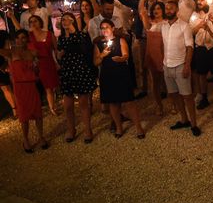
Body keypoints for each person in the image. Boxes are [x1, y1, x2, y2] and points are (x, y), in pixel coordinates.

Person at [140, 0, 199, 136]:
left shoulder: (184, 26)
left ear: (177, 10)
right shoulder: (163, 26)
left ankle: (194, 124)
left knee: (187, 97)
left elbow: (190, 46)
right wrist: (143, 14)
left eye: (171, 8)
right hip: (167, 66)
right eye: (166, 8)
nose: (168, 10)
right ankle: (184, 120)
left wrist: (187, 65)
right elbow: (150, 29)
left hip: (180, 65)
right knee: (174, 95)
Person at [93, 20, 145, 139]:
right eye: (102, 28)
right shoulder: (98, 44)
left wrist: (121, 58)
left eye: (107, 27)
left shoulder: (120, 40)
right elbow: (96, 62)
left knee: (129, 102)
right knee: (113, 103)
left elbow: (126, 55)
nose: (104, 29)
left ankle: (138, 127)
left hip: (121, 73)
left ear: (112, 28)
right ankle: (119, 127)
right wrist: (102, 55)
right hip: (107, 75)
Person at [0, 30, 47, 152]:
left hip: (32, 85)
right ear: (14, 39)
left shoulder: (32, 53)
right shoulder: (11, 52)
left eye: (23, 38)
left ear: (27, 39)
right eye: (18, 38)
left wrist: (36, 68)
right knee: (24, 114)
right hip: (19, 87)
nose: (20, 40)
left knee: (37, 113)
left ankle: (41, 137)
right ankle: (25, 139)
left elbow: (37, 71)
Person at [58, 12, 97, 143]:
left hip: (80, 70)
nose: (64, 21)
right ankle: (71, 129)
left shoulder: (81, 35)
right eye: (62, 20)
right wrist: (59, 55)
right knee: (68, 106)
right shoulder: (61, 38)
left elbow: (85, 50)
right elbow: (59, 55)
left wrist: (73, 32)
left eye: (67, 19)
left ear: (73, 21)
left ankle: (87, 130)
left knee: (83, 104)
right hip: (67, 72)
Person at [27, 15, 59, 116]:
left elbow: (56, 49)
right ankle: (50, 107)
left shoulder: (49, 34)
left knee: (51, 86)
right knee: (45, 87)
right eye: (31, 22)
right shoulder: (29, 37)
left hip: (49, 63)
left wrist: (58, 61)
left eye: (35, 21)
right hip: (36, 64)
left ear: (40, 22)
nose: (33, 23)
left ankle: (52, 106)